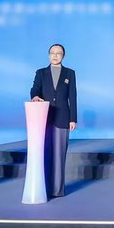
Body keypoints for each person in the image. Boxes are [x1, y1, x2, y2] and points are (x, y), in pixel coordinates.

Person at [30, 43, 77, 198]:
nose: (55, 56)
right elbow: (35, 89)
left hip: (63, 117)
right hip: (45, 117)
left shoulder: (70, 73)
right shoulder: (41, 73)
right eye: (52, 53)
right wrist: (35, 96)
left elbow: (73, 97)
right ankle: (45, 188)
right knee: (45, 154)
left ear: (63, 56)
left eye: (58, 53)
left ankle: (57, 190)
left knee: (59, 155)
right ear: (49, 55)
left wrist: (73, 118)